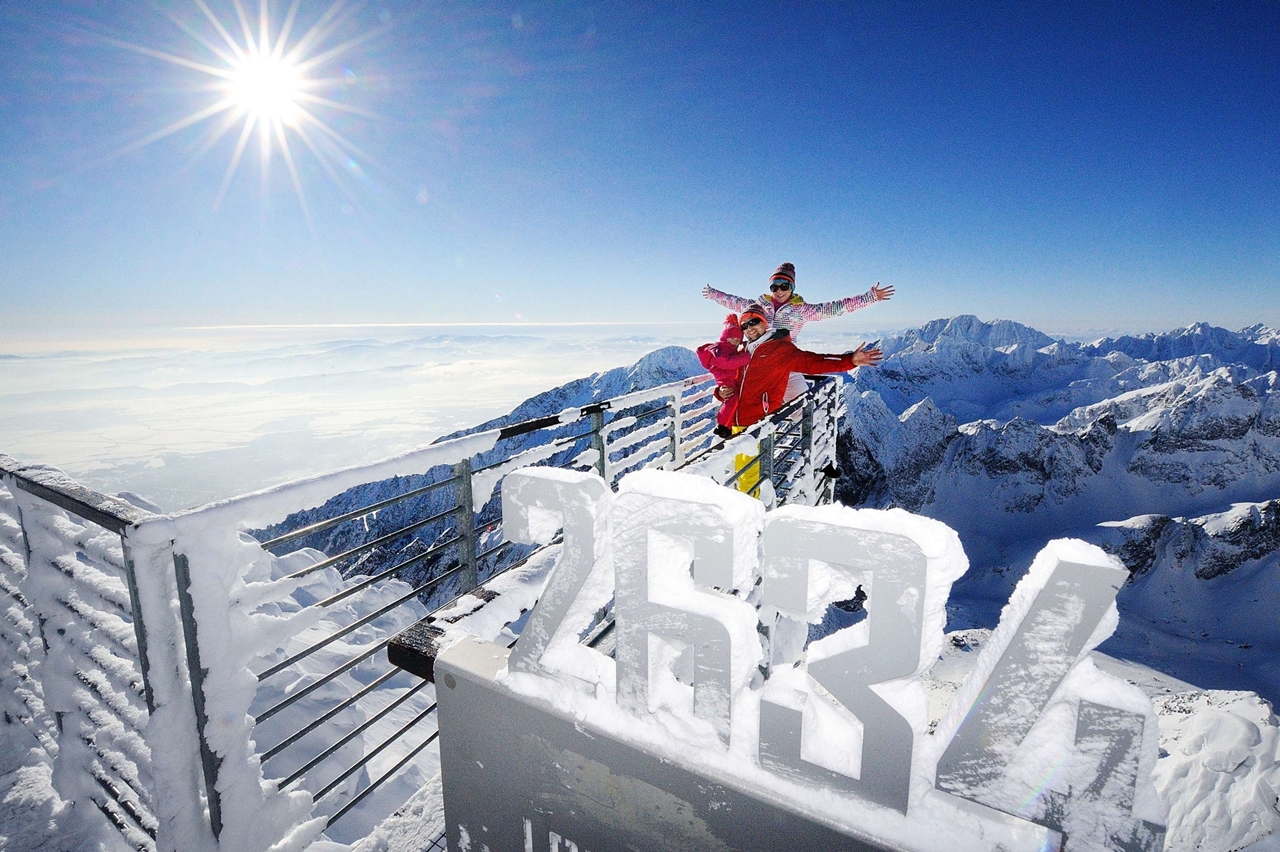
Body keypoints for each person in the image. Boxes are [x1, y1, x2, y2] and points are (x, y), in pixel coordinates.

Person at [730, 304, 882, 429]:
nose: (749, 328)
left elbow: (813, 362)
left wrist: (850, 360)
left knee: (751, 466)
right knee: (732, 466)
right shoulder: (741, 350)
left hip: (758, 424)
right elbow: (730, 381)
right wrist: (720, 392)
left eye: (753, 322)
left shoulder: (779, 349)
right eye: (744, 325)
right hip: (733, 423)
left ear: (764, 322)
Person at [702, 262, 893, 343]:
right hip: (757, 357)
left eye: (784, 286)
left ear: (791, 288)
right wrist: (713, 294)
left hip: (784, 358)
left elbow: (836, 308)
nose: (779, 291)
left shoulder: (802, 310)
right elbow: (734, 302)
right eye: (774, 287)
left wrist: (871, 297)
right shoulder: (759, 306)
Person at [696, 314, 751, 437]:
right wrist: (747, 357)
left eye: (738, 341)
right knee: (732, 399)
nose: (736, 343)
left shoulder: (732, 351)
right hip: (726, 380)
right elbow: (727, 363)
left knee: (733, 401)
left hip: (732, 383)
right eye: (733, 339)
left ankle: (726, 425)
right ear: (726, 337)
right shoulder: (720, 350)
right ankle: (723, 425)